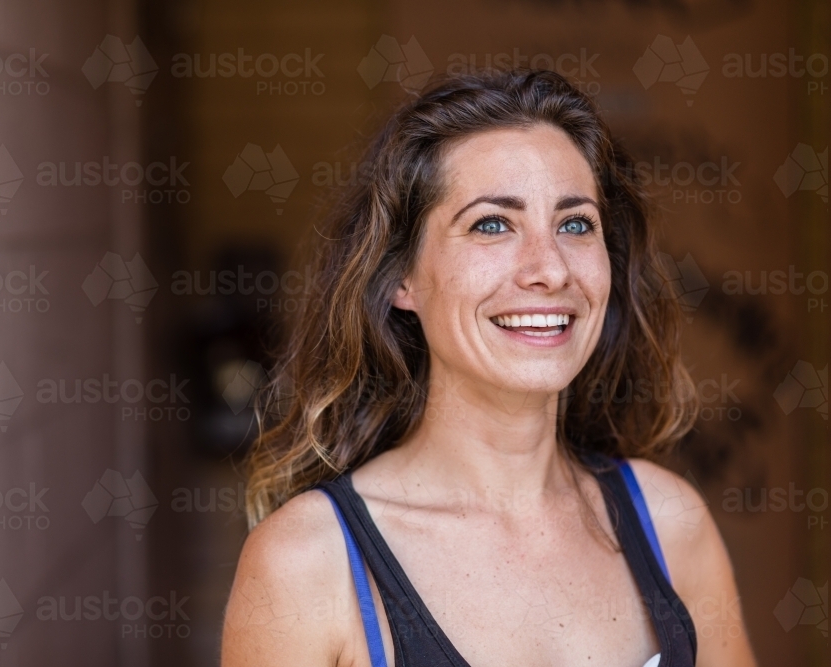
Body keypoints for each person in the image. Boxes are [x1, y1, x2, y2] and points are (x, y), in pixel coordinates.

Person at [221, 70, 757, 667]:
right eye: (492, 224)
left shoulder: (668, 525)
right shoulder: (309, 563)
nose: (550, 269)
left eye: (575, 224)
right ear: (401, 277)